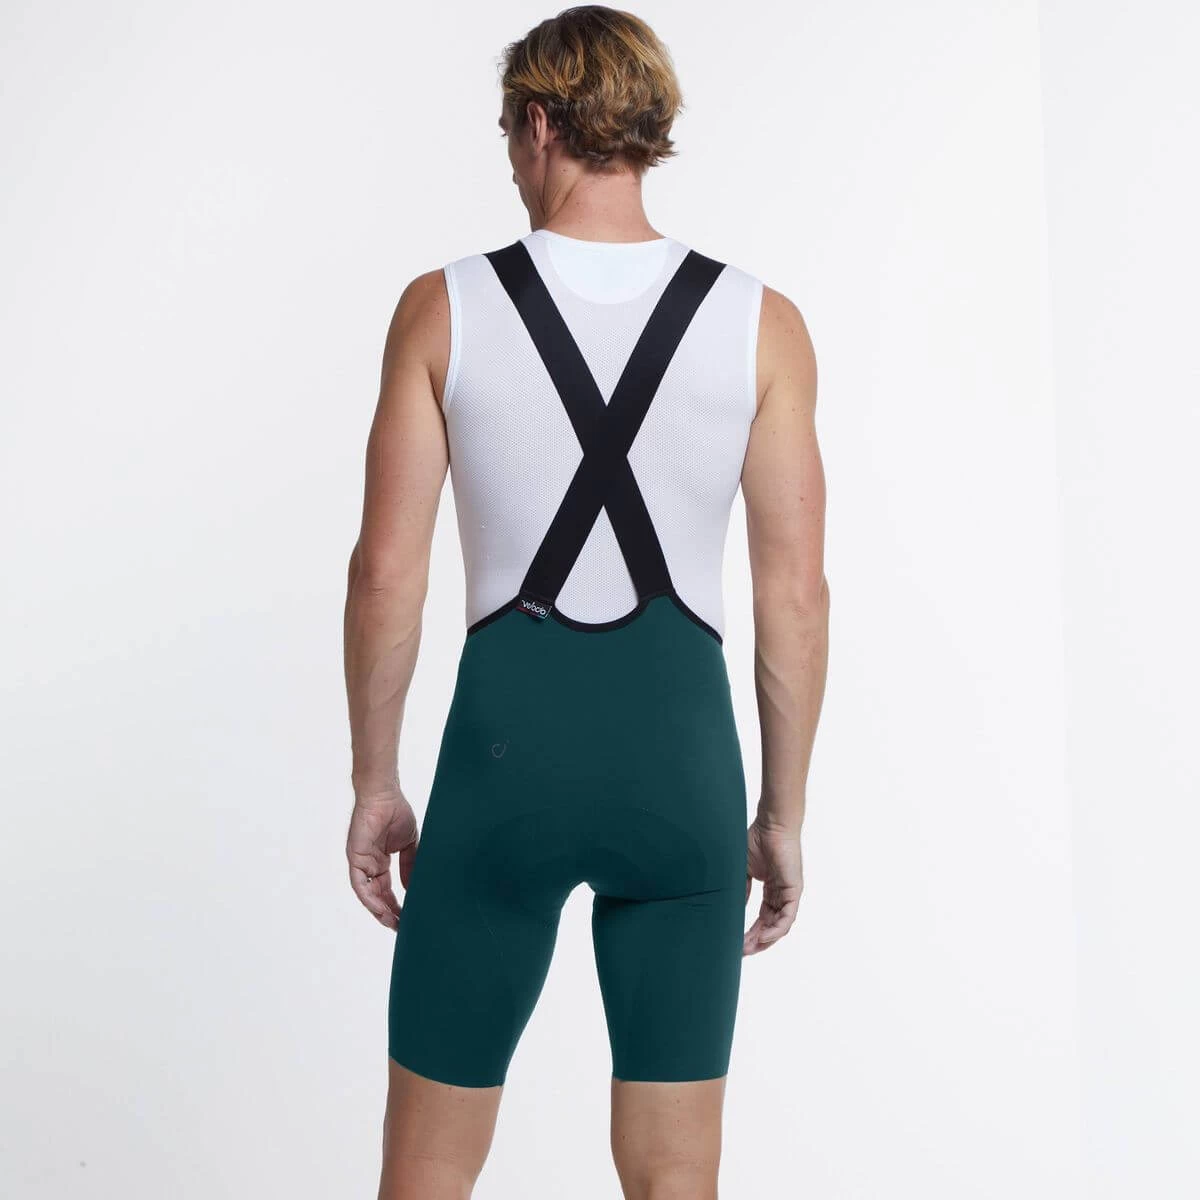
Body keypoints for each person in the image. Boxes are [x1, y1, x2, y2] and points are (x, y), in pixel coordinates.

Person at [343, 7, 828, 1197]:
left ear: (540, 123)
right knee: (675, 1174)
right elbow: (795, 597)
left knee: (428, 1174)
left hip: (502, 771)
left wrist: (375, 783)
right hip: (683, 777)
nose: (511, 163)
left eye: (510, 135)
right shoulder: (762, 324)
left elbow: (386, 574)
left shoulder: (443, 308)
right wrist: (780, 812)